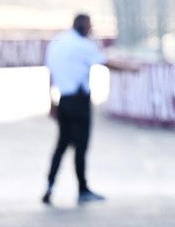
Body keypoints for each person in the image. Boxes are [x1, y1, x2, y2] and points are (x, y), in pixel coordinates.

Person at [41, 12, 131, 205]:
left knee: (62, 145)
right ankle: (82, 189)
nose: (91, 29)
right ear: (82, 25)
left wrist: (50, 102)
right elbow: (106, 64)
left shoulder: (57, 42)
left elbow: (49, 72)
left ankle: (49, 186)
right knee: (80, 147)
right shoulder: (83, 45)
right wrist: (132, 69)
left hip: (63, 101)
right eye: (90, 26)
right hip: (79, 101)